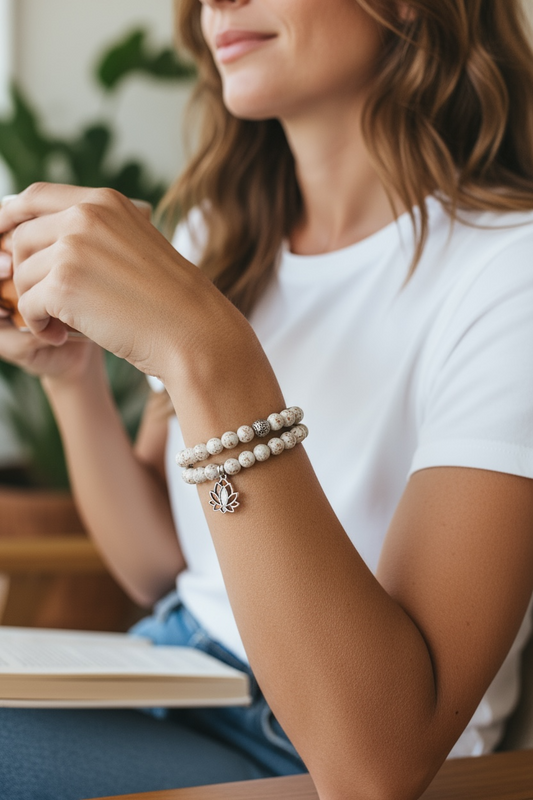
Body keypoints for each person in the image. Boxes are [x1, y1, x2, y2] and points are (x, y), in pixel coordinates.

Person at [1, 0, 533, 798]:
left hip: (310, 749)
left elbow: (374, 765)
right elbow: (160, 566)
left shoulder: (508, 277)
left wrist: (207, 350)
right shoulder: (220, 235)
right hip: (177, 675)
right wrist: (69, 378)